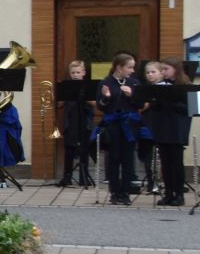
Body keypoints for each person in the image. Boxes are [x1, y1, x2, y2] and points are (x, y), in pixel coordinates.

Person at [146, 58, 191, 207]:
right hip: (163, 126)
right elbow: (153, 106)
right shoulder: (160, 86)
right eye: (162, 69)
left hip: (178, 128)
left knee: (176, 162)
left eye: (166, 69)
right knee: (165, 162)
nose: (163, 72)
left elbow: (191, 109)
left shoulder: (185, 85)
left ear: (175, 70)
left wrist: (170, 102)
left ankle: (179, 194)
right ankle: (168, 193)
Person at [98, 53, 141, 205]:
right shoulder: (107, 82)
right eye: (129, 67)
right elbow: (101, 106)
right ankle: (115, 192)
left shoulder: (134, 83)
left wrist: (131, 96)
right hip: (114, 125)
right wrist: (106, 97)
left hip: (129, 125)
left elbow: (139, 105)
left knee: (128, 160)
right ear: (119, 67)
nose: (132, 70)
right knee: (114, 159)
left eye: (133, 67)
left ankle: (126, 192)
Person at [55, 59, 96, 188]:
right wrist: (60, 93)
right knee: (69, 148)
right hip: (70, 122)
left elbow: (95, 103)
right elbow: (59, 105)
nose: (75, 75)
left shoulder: (88, 86)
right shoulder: (67, 86)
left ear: (83, 72)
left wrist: (83, 96)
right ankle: (67, 176)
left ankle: (84, 176)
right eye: (73, 73)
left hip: (85, 121)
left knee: (84, 148)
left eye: (78, 72)